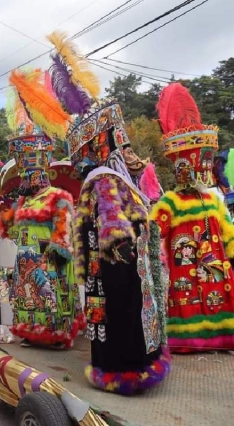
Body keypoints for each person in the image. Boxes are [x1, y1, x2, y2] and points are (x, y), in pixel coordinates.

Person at [68, 102, 170, 393]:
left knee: (126, 315)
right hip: (117, 267)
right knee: (122, 315)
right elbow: (112, 222)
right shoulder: (104, 178)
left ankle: (129, 365)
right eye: (121, 144)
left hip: (122, 267)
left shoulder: (110, 178)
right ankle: (127, 369)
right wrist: (122, 246)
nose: (128, 152)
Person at [150, 83, 234, 353]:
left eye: (205, 166)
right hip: (184, 272)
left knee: (217, 294)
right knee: (187, 298)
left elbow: (228, 231)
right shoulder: (170, 202)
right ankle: (189, 339)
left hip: (216, 271)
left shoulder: (213, 199)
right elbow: (153, 233)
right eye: (197, 166)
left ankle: (220, 336)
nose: (203, 172)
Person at [0, 125, 84, 349]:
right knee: (27, 298)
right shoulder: (23, 201)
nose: (28, 180)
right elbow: (12, 228)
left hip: (48, 258)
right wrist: (3, 216)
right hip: (26, 259)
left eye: (32, 176)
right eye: (25, 176)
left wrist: (57, 250)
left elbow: (65, 226)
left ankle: (58, 334)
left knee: (51, 296)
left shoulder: (58, 195)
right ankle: (31, 332)